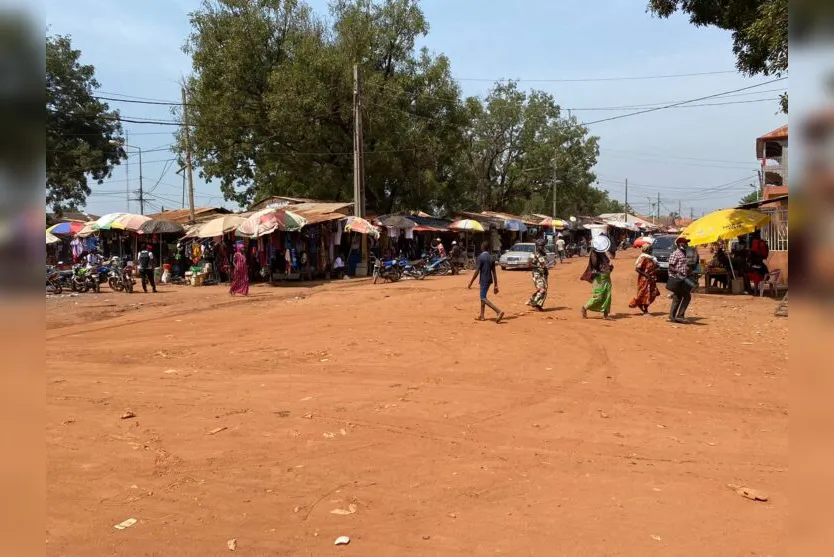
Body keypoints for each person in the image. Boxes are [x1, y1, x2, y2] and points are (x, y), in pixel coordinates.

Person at [468, 241, 504, 323]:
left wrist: (471, 282)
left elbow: (477, 271)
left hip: (484, 280)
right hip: (489, 280)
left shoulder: (480, 257)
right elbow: (494, 273)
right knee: (482, 296)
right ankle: (482, 315)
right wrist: (496, 285)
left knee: (483, 298)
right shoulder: (491, 258)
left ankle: (498, 311)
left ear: (482, 247)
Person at [580, 235, 613, 319]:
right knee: (599, 296)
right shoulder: (594, 252)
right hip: (599, 276)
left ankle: (605, 315)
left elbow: (605, 263)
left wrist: (609, 267)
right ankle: (585, 307)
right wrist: (594, 252)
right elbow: (594, 264)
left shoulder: (602, 252)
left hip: (606, 275)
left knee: (607, 295)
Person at [628, 243, 660, 315]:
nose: (651, 250)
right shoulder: (643, 258)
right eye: (650, 249)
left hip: (652, 279)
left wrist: (656, 268)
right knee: (645, 294)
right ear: (647, 250)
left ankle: (639, 304)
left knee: (653, 293)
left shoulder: (651, 258)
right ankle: (645, 310)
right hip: (645, 279)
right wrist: (646, 275)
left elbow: (655, 267)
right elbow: (637, 269)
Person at [666, 237, 692, 323]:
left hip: (682, 278)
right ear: (680, 244)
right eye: (685, 243)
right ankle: (680, 316)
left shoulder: (683, 253)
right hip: (677, 278)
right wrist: (679, 272)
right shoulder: (675, 253)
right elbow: (670, 266)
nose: (687, 245)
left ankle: (671, 316)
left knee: (678, 297)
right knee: (687, 296)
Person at [526, 238, 549, 311]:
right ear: (537, 246)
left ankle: (539, 305)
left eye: (542, 245)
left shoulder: (544, 254)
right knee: (541, 289)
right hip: (537, 274)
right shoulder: (534, 254)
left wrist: (546, 270)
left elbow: (544, 264)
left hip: (543, 274)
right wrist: (538, 266)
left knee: (545, 289)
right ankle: (533, 302)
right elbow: (529, 265)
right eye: (539, 245)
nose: (541, 247)